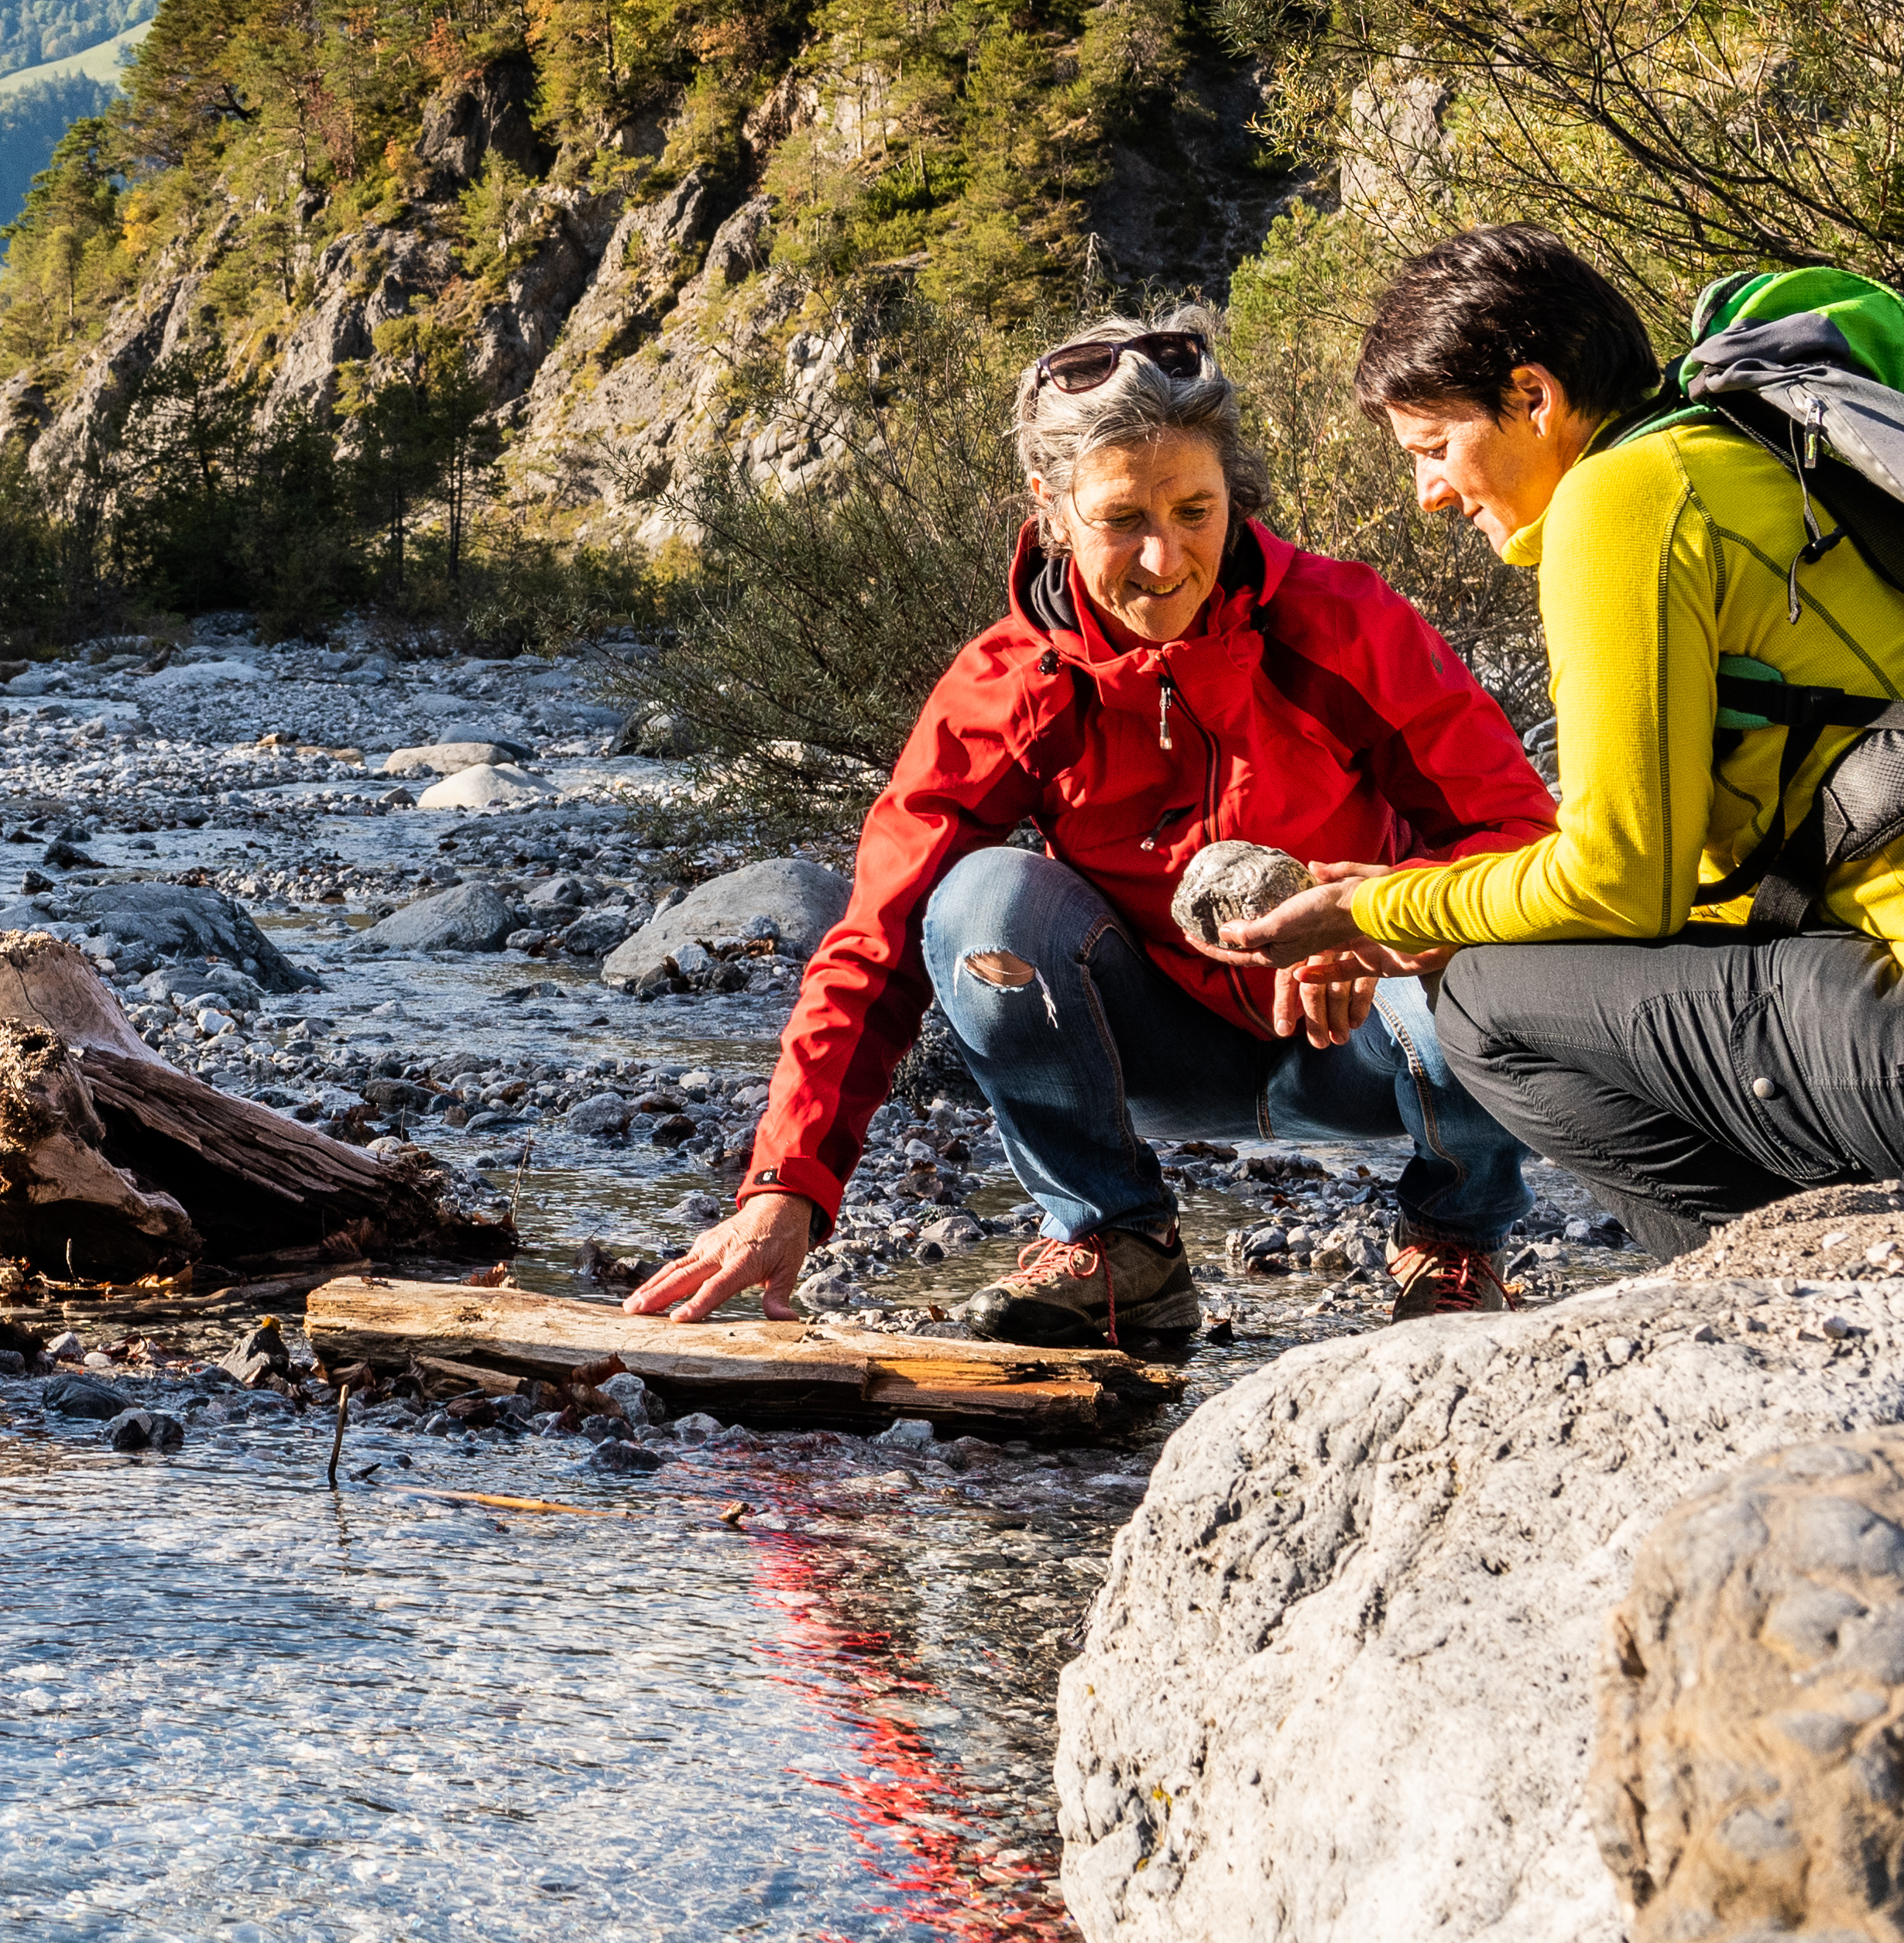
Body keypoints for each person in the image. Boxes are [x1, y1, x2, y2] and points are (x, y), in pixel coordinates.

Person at [1210, 226, 1904, 1255]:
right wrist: (1453, 912)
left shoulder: (1624, 495)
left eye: (1434, 448)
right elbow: (1704, 882)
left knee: (1489, 1003)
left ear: (1534, 397)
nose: (1431, 493)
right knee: (1518, 951)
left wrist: (1370, 905)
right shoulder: (1755, 463)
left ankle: (1769, 1308)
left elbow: (1617, 884)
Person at [626, 310, 1559, 1350]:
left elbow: (1524, 844)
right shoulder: (1009, 685)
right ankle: (1119, 1244)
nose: (1166, 559)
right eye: (1123, 519)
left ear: (1234, 494)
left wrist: (1376, 916)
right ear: (1053, 508)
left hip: (1365, 1035)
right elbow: (873, 943)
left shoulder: (1344, 625)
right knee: (980, 898)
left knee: (1501, 944)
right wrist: (785, 1188)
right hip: (1149, 1042)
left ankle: (1455, 1241)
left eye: (1196, 510)